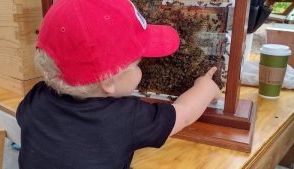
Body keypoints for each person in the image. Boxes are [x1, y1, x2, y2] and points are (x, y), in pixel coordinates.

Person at [16, 0, 220, 169]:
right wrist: (205, 87)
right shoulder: (127, 117)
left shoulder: (35, 98)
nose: (142, 69)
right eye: (139, 63)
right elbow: (183, 113)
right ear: (108, 81)